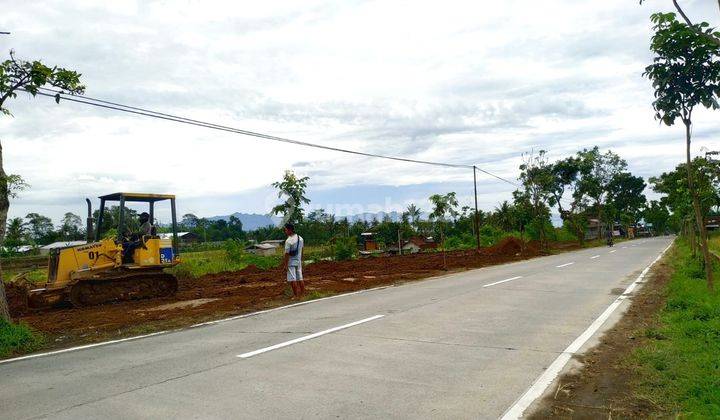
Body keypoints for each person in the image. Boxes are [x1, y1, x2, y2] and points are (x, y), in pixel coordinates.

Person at [282, 223, 305, 299]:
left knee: (292, 279)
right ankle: (302, 294)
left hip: (291, 262)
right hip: (298, 261)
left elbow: (286, 254)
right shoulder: (300, 238)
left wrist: (285, 265)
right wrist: (301, 260)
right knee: (300, 278)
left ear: (290, 230)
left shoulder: (288, 241)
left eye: (285, 230)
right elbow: (302, 250)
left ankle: (295, 296)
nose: (285, 232)